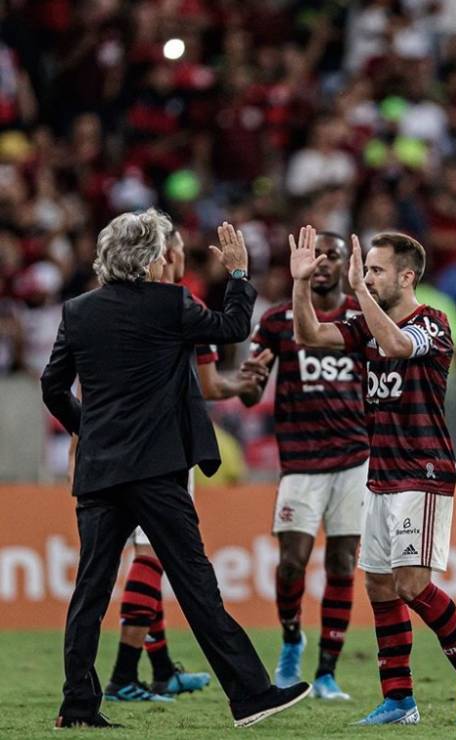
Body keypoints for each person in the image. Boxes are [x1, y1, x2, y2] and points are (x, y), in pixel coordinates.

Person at [41, 210, 309, 729]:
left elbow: (53, 387)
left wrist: (87, 430)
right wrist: (238, 274)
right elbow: (233, 328)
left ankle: (77, 706)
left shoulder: (78, 311)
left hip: (100, 471)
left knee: (90, 591)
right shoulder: (169, 302)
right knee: (195, 584)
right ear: (150, 259)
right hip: (157, 471)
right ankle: (250, 694)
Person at [289, 226, 456, 726]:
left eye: (377, 270)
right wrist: (300, 283)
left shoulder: (434, 323)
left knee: (410, 584)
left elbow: (398, 345)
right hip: (380, 471)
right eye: (367, 270)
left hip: (423, 470)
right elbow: (308, 335)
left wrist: (359, 292)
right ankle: (400, 700)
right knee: (380, 587)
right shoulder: (366, 325)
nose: (368, 278)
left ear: (406, 277)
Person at [94, 228, 269, 703]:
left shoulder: (107, 305)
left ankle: (158, 667)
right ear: (161, 256)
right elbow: (216, 371)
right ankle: (124, 674)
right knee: (154, 557)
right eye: (173, 249)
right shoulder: (179, 305)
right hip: (162, 451)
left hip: (111, 451)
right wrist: (238, 275)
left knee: (137, 559)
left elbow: (79, 383)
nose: (178, 256)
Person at [239, 231, 368, 701]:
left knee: (342, 562)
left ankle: (327, 672)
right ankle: (292, 638)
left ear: (346, 265)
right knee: (292, 563)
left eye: (333, 255)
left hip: (354, 458)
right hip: (300, 460)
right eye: (316, 255)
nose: (323, 263)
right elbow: (251, 394)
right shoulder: (277, 320)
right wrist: (249, 382)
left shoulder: (362, 318)